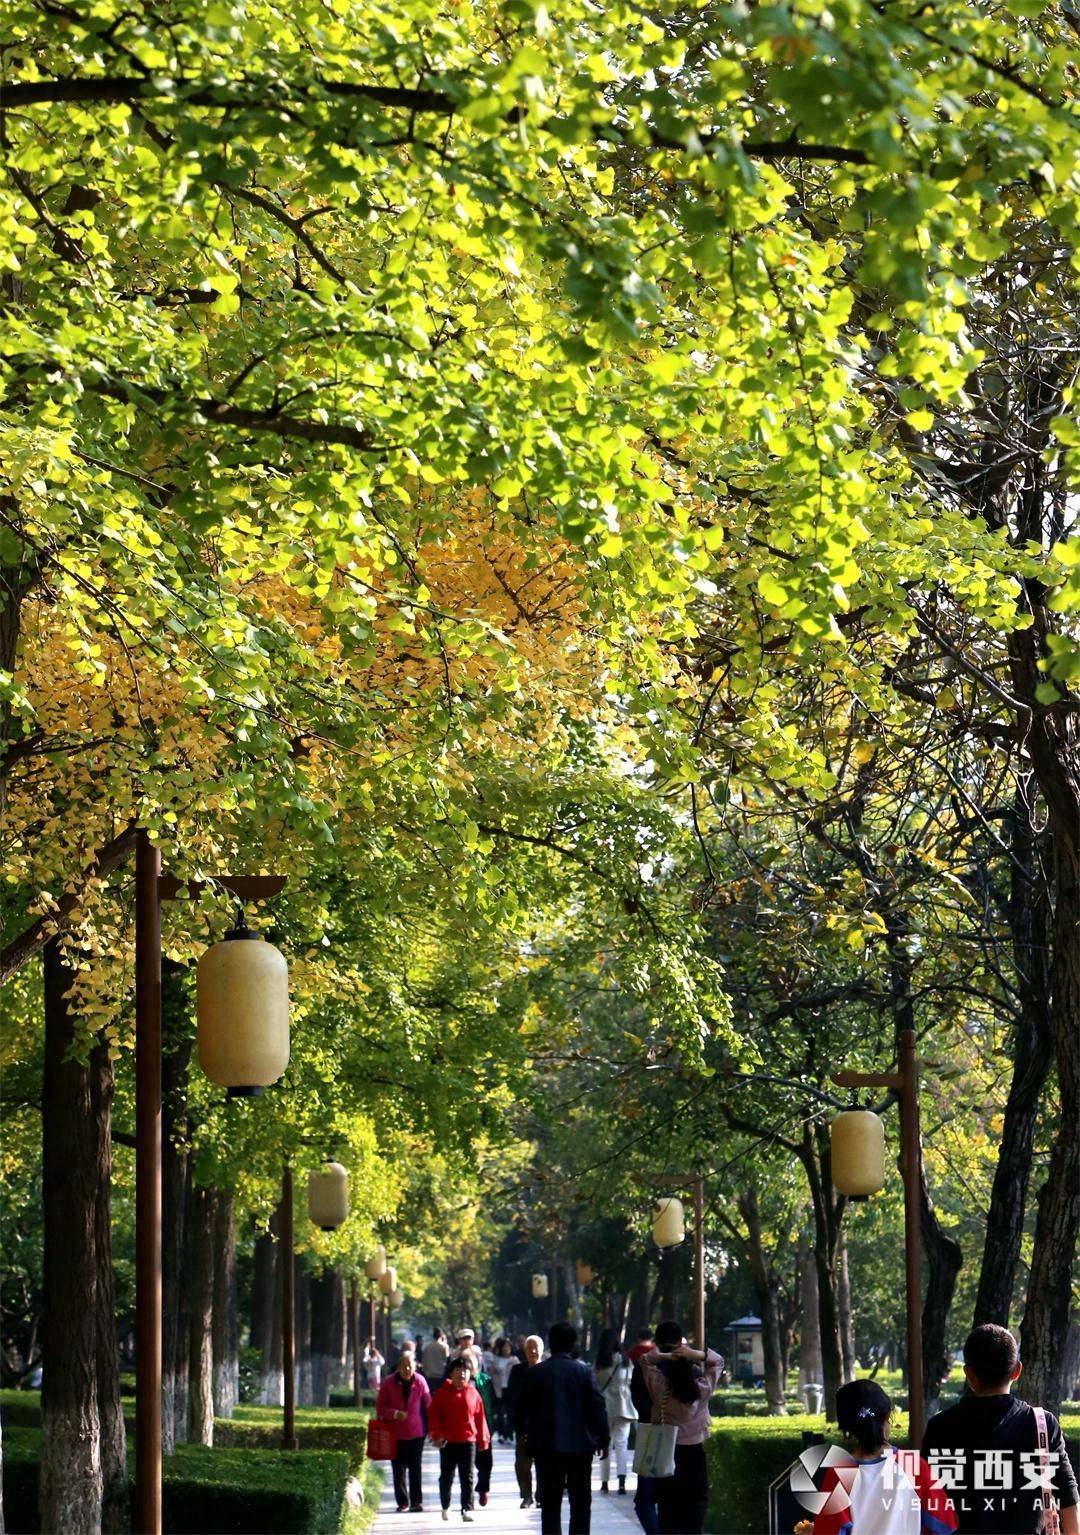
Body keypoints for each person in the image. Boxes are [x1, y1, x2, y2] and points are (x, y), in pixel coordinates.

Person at [922, 1324, 1079, 1534]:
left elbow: (924, 1503)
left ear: (968, 1373)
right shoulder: (1042, 1424)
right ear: (1017, 1371)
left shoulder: (940, 1428)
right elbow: (1068, 1500)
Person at [794, 1379, 957, 1535]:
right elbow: (945, 1523)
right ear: (887, 1417)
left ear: (847, 1428)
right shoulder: (912, 1465)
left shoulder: (839, 1473)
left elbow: (831, 1530)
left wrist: (814, 1530)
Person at [517, 1320, 609, 1535]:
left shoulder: (536, 1373)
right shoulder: (583, 1371)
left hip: (546, 1446)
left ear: (550, 1343)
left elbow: (522, 1408)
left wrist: (523, 1432)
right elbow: (597, 1406)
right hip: (580, 1447)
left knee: (549, 1504)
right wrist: (603, 1438)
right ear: (573, 1344)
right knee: (580, 1502)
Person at [639, 1319, 723, 1535]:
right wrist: (693, 1353)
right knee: (695, 1506)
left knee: (668, 1508)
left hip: (667, 1451)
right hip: (694, 1452)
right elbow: (718, 1362)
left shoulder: (659, 1386)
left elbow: (645, 1361)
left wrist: (667, 1354)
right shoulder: (702, 1388)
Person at [428, 1354, 490, 1524]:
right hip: (447, 1442)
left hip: (468, 1441)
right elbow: (434, 1417)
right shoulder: (441, 1394)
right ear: (451, 1373)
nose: (462, 1373)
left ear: (470, 1374)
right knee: (447, 1476)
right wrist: (437, 1435)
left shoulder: (473, 1393)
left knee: (467, 1476)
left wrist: (483, 1439)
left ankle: (466, 1509)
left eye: (465, 1370)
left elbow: (480, 1417)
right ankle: (445, 1506)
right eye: (458, 1370)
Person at [376, 1347, 431, 1513]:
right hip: (395, 1433)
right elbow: (380, 1408)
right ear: (398, 1367)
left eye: (410, 1365)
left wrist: (433, 1428)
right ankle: (402, 1502)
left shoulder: (420, 1381)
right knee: (398, 1469)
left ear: (415, 1366)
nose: (407, 1369)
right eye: (404, 1365)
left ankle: (416, 1502)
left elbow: (429, 1405)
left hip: (416, 1432)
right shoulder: (388, 1383)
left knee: (415, 1468)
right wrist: (394, 1414)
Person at [595, 1328, 637, 1495]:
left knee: (605, 1444)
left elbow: (597, 1384)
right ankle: (621, 1481)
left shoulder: (599, 1362)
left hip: (605, 1407)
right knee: (621, 1444)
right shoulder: (625, 1361)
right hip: (623, 1407)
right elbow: (630, 1382)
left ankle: (604, 1482)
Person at [509, 1333, 545, 1508]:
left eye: (535, 1347)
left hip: (544, 1426)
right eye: (529, 1347)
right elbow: (512, 1399)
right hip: (523, 1425)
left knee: (543, 1464)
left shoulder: (548, 1370)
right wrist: (517, 1427)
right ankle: (526, 1495)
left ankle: (541, 1495)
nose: (532, 1351)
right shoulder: (517, 1371)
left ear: (542, 1350)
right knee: (522, 1465)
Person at [629, 1334, 660, 1535]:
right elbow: (716, 1362)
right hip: (685, 1441)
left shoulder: (643, 1366)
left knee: (645, 1500)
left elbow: (637, 1399)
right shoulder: (690, 1368)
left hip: (650, 1435)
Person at [472, 1352, 497, 1507]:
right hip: (464, 1430)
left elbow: (494, 1403)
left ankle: (483, 1489)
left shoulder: (486, 1381)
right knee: (466, 1465)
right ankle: (467, 1498)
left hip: (484, 1427)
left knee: (485, 1462)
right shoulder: (456, 1382)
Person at [489, 1338, 517, 1443]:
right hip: (499, 1388)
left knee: (510, 1413)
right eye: (504, 1346)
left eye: (508, 1346)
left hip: (510, 1389)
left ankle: (509, 1435)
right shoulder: (496, 1359)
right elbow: (490, 1372)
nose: (506, 1348)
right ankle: (501, 1434)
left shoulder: (514, 1360)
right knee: (500, 1413)